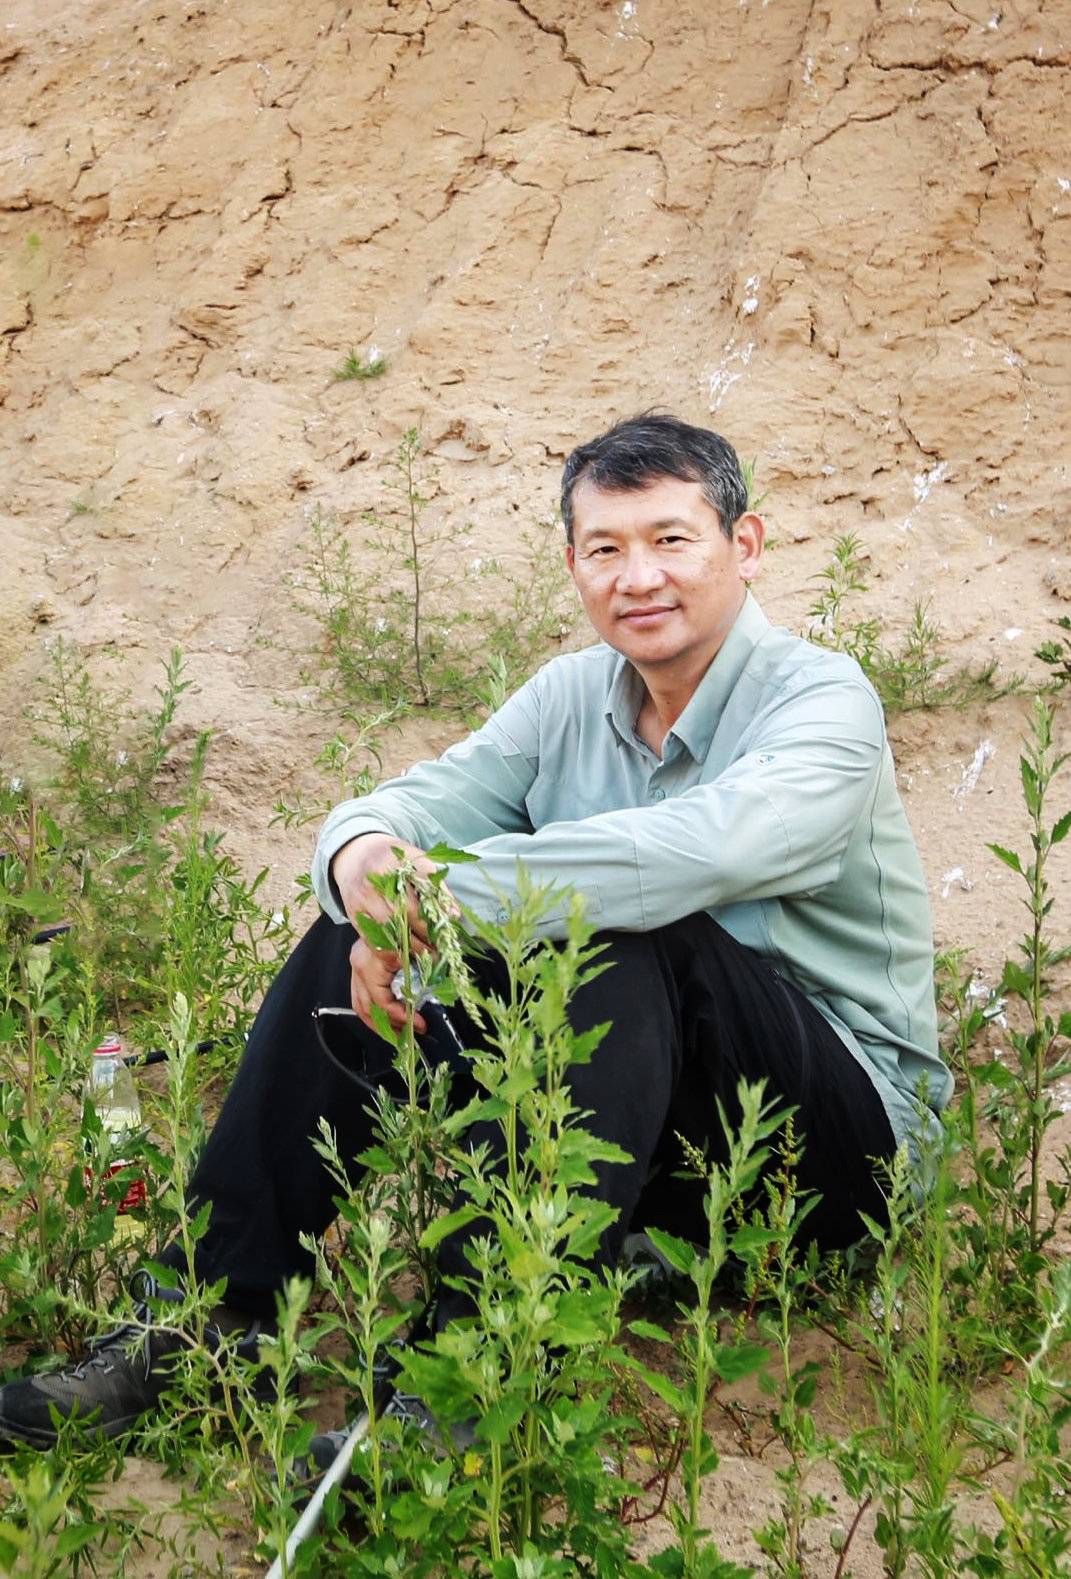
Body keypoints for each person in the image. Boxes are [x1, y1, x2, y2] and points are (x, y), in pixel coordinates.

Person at [0, 413, 952, 1450]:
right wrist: (368, 870)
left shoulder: (821, 700)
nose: (639, 576)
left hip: (833, 1154)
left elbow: (703, 851)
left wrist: (433, 898)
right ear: (574, 565)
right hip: (657, 1149)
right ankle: (206, 1315)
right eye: (605, 548)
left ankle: (472, 1380)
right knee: (346, 938)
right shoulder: (569, 697)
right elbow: (405, 808)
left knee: (618, 933)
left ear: (744, 545)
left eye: (671, 539)